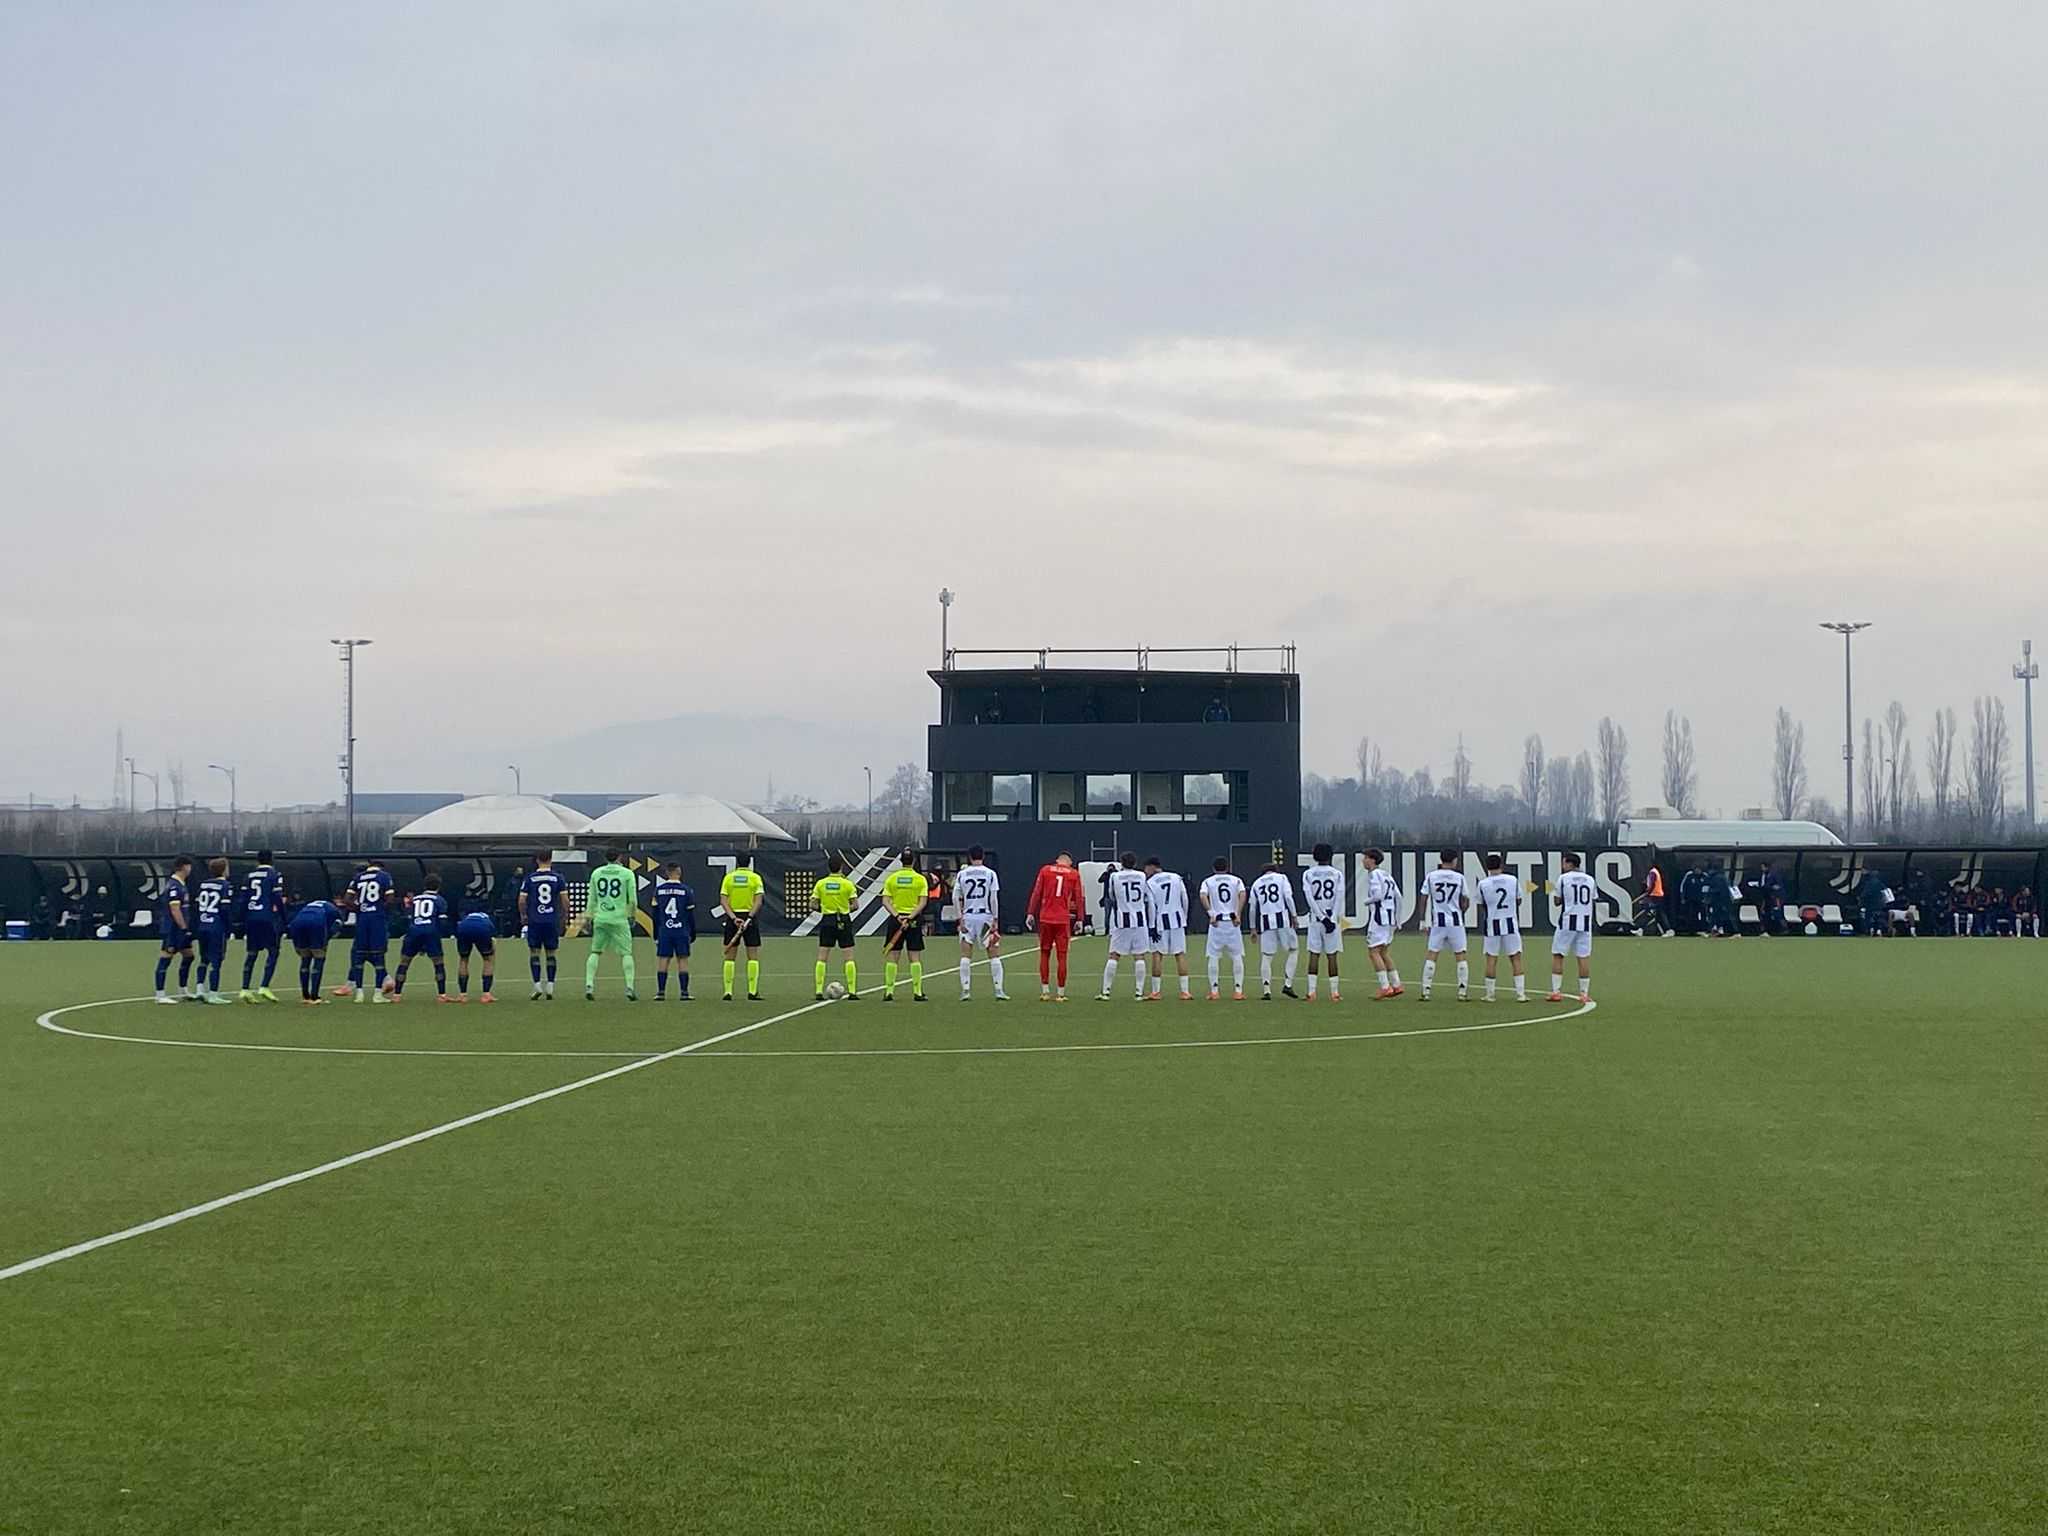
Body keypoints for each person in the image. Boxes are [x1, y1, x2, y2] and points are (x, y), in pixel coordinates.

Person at [1025, 851, 1084, 1002]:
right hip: (1062, 919)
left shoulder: (1045, 870)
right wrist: (1080, 919)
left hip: (1046, 917)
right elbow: (1078, 898)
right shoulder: (1074, 874)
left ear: (1057, 860)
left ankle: (1045, 991)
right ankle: (1060, 993)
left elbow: (1037, 892)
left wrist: (1031, 913)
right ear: (1069, 861)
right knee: (1062, 956)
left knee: (1044, 953)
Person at [386, 874, 454, 1002]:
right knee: (438, 963)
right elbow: (443, 922)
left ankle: (397, 995)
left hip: (414, 931)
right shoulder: (439, 900)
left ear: (424, 885)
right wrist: (441, 934)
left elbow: (408, 917)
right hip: (430, 931)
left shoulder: (415, 899)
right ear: (439, 886)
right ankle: (442, 995)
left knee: (404, 962)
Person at [583, 847, 640, 1001]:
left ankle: (589, 984)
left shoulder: (596, 873)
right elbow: (633, 899)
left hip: (601, 917)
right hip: (619, 918)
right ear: (620, 857)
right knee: (626, 953)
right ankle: (629, 987)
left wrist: (588, 917)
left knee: (595, 951)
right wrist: (632, 915)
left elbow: (592, 898)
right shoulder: (627, 873)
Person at [337, 858, 395, 1001]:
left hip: (362, 920)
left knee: (359, 954)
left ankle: (359, 994)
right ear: (381, 868)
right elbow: (390, 899)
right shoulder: (384, 876)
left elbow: (347, 900)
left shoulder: (358, 877)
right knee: (378, 954)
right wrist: (380, 909)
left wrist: (360, 909)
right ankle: (377, 994)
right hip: (377, 919)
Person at [1099, 852, 1154, 1001]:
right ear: (1135, 863)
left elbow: (1111, 895)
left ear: (1121, 863)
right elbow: (1149, 897)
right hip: (1140, 920)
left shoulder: (1114, 877)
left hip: (1122, 920)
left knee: (1114, 955)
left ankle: (1106, 991)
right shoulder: (1142, 876)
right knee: (1139, 956)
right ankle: (1139, 992)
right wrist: (1152, 923)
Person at [952, 846, 1004, 1000]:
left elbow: (955, 898)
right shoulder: (990, 874)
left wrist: (959, 918)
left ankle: (966, 991)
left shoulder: (962, 874)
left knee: (966, 954)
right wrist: (995, 919)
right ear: (983, 857)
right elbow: (994, 898)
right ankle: (998, 990)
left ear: (969, 857)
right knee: (993, 954)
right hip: (985, 917)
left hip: (968, 918)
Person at [880, 849, 930, 1002]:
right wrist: (910, 917)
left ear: (901, 861)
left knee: (893, 956)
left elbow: (885, 901)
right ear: (913, 861)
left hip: (896, 920)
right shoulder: (920, 879)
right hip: (913, 920)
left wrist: (897, 916)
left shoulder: (892, 879)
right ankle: (917, 992)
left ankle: (889, 991)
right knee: (914, 956)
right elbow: (922, 902)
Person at [1475, 854, 1526, 1003]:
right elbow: (1519, 900)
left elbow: (1481, 903)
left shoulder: (1483, 884)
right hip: (1510, 923)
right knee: (1516, 958)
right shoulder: (1512, 880)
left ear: (1487, 867)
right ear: (1501, 865)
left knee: (1491, 958)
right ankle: (1521, 994)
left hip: (1492, 924)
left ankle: (1490, 995)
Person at [717, 852, 767, 1001]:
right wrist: (749, 918)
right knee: (752, 956)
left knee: (729, 957)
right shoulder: (755, 878)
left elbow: (723, 901)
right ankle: (752, 991)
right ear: (749, 863)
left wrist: (733, 918)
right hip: (750, 919)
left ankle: (728, 992)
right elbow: (758, 901)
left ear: (737, 863)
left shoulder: (729, 878)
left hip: (733, 919)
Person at [238, 851, 286, 1003]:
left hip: (251, 918)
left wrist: (241, 918)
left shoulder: (248, 876)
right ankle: (264, 986)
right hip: (268, 918)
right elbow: (277, 898)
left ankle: (245, 988)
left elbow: (243, 900)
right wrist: (284, 919)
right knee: (273, 951)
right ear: (272, 860)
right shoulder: (275, 875)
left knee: (252, 953)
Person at [1420, 852, 1469, 1002]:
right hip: (1455, 921)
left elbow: (1424, 897)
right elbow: (1465, 900)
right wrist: (1461, 911)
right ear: (1454, 861)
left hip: (1438, 922)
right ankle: (1462, 991)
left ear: (1441, 860)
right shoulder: (1459, 877)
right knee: (1460, 955)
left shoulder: (1431, 876)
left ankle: (1426, 990)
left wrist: (1422, 920)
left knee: (1432, 954)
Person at [811, 855, 861, 1001]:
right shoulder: (847, 884)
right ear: (841, 867)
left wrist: (825, 909)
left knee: (822, 957)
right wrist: (846, 909)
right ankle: (852, 991)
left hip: (828, 919)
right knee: (849, 957)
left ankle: (819, 991)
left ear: (828, 867)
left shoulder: (821, 884)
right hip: (843, 919)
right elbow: (856, 905)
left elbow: (812, 904)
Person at [1247, 862, 1300, 1001]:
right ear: (1275, 870)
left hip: (1265, 922)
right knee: (1293, 950)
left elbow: (1252, 907)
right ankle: (1288, 984)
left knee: (1267, 956)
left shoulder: (1256, 883)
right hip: (1282, 919)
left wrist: (1253, 928)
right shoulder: (1282, 878)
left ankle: (1266, 990)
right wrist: (1294, 916)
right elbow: (1288, 897)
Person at [1300, 842, 1346, 1002]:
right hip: (1331, 919)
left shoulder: (1308, 874)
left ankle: (1311, 992)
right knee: (1332, 956)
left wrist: (1321, 918)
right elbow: (1339, 896)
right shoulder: (1337, 874)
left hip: (1315, 919)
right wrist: (1331, 919)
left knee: (1314, 954)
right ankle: (1334, 993)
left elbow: (1309, 898)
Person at [1550, 853, 1598, 1001]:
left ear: (1569, 864)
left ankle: (1556, 991)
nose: (1562, 866)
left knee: (1558, 954)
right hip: (1584, 921)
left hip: (1567, 921)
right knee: (1583, 957)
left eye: (1564, 863)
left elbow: (1557, 901)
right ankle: (1584, 993)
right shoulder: (1590, 879)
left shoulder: (1563, 878)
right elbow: (1593, 898)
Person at [519, 852, 567, 1000]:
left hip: (535, 920)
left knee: (535, 953)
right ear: (551, 860)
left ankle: (537, 985)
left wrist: (524, 915)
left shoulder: (530, 878)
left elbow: (521, 900)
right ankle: (551, 986)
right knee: (551, 953)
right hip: (551, 920)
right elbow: (565, 900)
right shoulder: (558, 878)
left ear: (537, 860)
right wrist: (564, 917)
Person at [1143, 855, 1192, 1000]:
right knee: (1180, 954)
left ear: (1151, 867)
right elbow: (1185, 898)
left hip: (1160, 921)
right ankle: (1185, 991)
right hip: (1177, 920)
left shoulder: (1150, 883)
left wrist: (1151, 926)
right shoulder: (1176, 877)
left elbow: (1151, 905)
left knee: (1157, 954)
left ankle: (1156, 991)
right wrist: (1184, 917)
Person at [1198, 857, 1247, 1000]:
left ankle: (1214, 991)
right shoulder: (1236, 880)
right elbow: (1243, 894)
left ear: (1213, 868)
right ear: (1227, 867)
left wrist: (1210, 913)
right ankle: (1238, 990)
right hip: (1232, 922)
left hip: (1216, 923)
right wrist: (1238, 913)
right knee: (1237, 956)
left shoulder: (1208, 881)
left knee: (1213, 956)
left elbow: (1202, 896)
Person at [153, 856, 196, 1004]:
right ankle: (160, 995)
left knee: (189, 956)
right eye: (189, 866)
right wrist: (183, 927)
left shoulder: (181, 884)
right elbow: (174, 908)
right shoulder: (174, 885)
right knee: (165, 958)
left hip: (180, 929)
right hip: (173, 929)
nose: (190, 869)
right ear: (184, 867)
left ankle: (183, 989)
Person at [287, 897, 346, 1004]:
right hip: (316, 923)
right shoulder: (335, 910)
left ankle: (305, 996)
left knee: (305, 958)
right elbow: (337, 925)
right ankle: (315, 996)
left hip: (297, 923)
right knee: (319, 957)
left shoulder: (309, 904)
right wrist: (326, 939)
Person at [1362, 848, 1403, 998]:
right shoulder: (1387, 875)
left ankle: (1385, 987)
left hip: (1379, 917)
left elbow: (1377, 895)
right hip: (1390, 917)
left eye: (1365, 857)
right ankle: (1396, 984)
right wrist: (1398, 919)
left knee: (1373, 952)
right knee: (1384, 952)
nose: (1363, 861)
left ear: (1372, 859)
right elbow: (1399, 897)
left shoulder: (1374, 875)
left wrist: (1367, 901)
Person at [193, 857, 235, 1004]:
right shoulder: (225, 885)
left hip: (202, 924)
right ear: (223, 869)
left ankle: (199, 989)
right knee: (216, 960)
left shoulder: (203, 884)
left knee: (203, 959)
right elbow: (224, 908)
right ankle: (213, 994)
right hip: (216, 927)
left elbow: (197, 905)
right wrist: (229, 927)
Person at [652, 862, 696, 1001]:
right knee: (682, 959)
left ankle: (660, 992)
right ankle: (684, 992)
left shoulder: (658, 890)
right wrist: (692, 932)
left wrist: (656, 932)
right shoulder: (687, 890)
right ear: (679, 872)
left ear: (666, 873)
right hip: (681, 930)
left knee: (663, 959)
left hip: (665, 930)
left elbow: (655, 914)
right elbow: (690, 915)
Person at [453, 904, 498, 1003]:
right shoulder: (486, 918)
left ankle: (462, 995)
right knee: (488, 959)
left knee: (463, 959)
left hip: (463, 928)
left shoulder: (466, 918)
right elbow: (492, 936)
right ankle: (486, 994)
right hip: (482, 929)